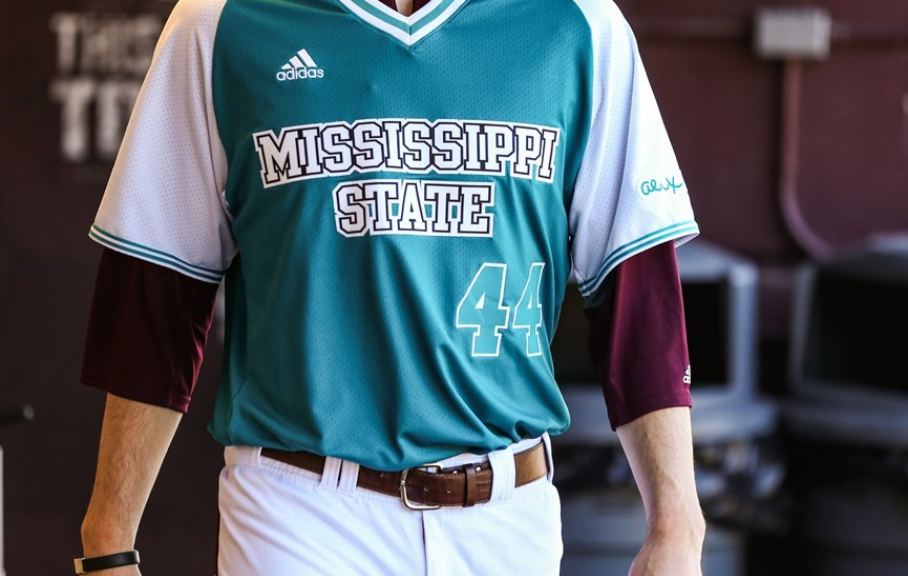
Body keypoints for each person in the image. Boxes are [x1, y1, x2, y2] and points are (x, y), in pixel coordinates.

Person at [76, 0, 705, 573]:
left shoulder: (579, 23)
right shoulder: (222, 21)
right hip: (301, 511)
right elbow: (158, 289)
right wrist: (108, 536)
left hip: (506, 510)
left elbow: (635, 289)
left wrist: (678, 524)